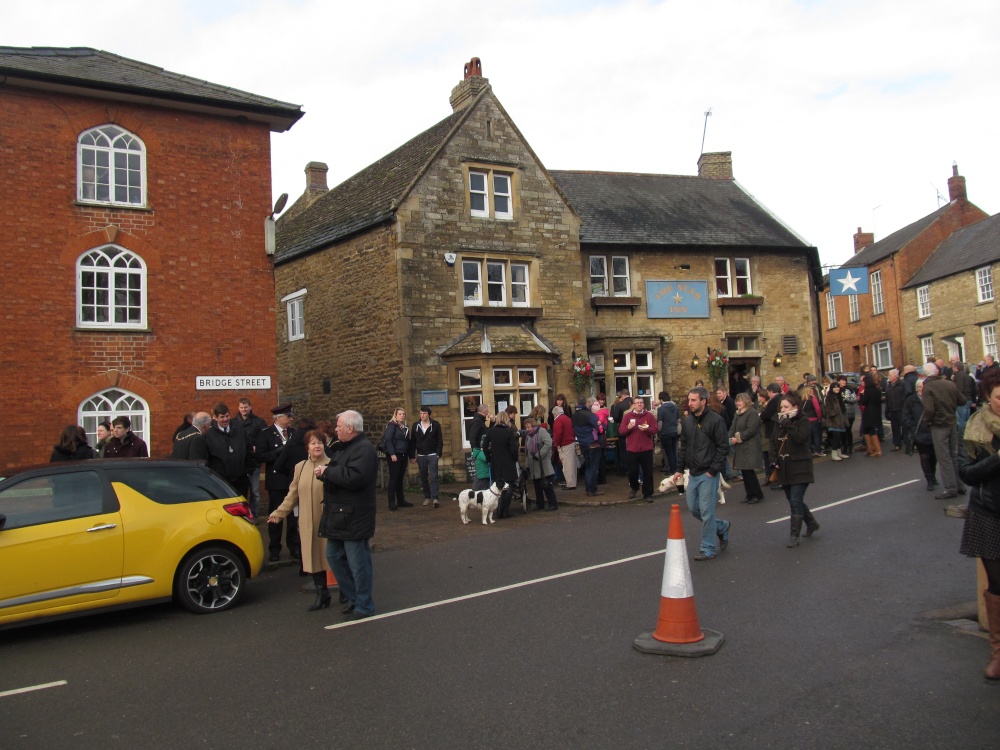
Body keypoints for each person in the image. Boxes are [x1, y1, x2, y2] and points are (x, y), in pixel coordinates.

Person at [957, 366, 1000, 682]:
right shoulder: (975, 427)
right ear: (987, 396)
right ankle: (998, 653)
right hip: (989, 512)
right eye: (999, 397)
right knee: (998, 585)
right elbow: (967, 473)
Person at [315, 410, 378, 620]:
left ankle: (364, 604)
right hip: (338, 515)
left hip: (355, 516)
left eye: (339, 426)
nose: (336, 429)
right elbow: (338, 473)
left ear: (350, 428)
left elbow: (354, 478)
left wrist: (327, 472)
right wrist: (325, 473)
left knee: (358, 563)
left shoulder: (364, 449)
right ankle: (353, 597)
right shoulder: (343, 448)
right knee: (333, 556)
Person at [268, 429, 333, 611]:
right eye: (313, 443)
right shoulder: (301, 467)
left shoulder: (332, 464)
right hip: (306, 521)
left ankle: (346, 591)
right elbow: (292, 495)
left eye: (320, 442)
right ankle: (322, 594)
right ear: (307, 447)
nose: (317, 446)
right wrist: (278, 514)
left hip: (327, 519)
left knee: (332, 556)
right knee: (313, 556)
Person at [673, 387, 731, 561]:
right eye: (689, 400)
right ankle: (721, 527)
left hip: (708, 473)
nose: (689, 403)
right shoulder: (688, 421)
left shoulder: (716, 421)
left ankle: (708, 547)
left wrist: (713, 471)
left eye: (693, 400)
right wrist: (678, 469)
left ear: (703, 401)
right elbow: (683, 447)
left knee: (706, 511)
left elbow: (723, 447)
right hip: (693, 472)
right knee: (693, 508)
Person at [772, 391, 820, 548]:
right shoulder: (779, 421)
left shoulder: (802, 421)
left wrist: (787, 424)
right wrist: (774, 459)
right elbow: (773, 442)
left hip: (800, 467)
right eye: (781, 407)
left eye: (786, 407)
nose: (783, 410)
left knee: (795, 500)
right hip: (785, 468)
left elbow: (800, 438)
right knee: (794, 500)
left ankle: (794, 535)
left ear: (795, 407)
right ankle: (811, 523)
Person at [257, 404, 299, 562]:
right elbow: (260, 456)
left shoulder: (294, 434)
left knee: (293, 517)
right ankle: (274, 548)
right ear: (279, 418)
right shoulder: (266, 435)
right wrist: (277, 452)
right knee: (276, 516)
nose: (291, 419)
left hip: (292, 482)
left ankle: (294, 546)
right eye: (288, 417)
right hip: (276, 483)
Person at [922, 362, 968, 499]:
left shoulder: (928, 387)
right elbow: (963, 400)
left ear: (925, 374)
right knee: (954, 455)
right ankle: (959, 485)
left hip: (939, 425)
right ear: (937, 371)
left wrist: (928, 422)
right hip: (952, 422)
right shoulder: (949, 384)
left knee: (944, 458)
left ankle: (950, 488)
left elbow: (929, 409)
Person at [202, 403, 251, 498]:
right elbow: (206, 457)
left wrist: (248, 471)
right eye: (222, 417)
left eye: (227, 416)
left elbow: (249, 451)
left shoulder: (239, 429)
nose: (225, 419)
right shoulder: (209, 434)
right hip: (220, 481)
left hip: (240, 480)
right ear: (215, 418)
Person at [483, 410, 521, 518]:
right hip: (508, 462)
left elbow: (485, 446)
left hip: (496, 462)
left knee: (498, 486)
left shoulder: (491, 431)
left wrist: (489, 458)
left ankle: (498, 510)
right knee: (509, 486)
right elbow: (514, 448)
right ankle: (505, 511)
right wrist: (515, 459)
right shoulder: (509, 431)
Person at [619, 396, 657, 501]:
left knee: (648, 473)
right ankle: (634, 488)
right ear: (633, 405)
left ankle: (648, 494)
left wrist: (647, 429)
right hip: (632, 449)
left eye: (641, 402)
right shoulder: (627, 416)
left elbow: (655, 429)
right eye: (637, 403)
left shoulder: (649, 416)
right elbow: (621, 431)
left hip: (646, 448)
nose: (639, 404)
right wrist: (628, 428)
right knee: (632, 472)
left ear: (644, 404)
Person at [235, 397, 268, 519]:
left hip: (254, 463)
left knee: (255, 492)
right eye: (241, 407)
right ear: (238, 408)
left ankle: (253, 515)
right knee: (240, 492)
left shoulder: (259, 422)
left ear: (250, 407)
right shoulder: (234, 423)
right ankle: (241, 515)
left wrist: (257, 447)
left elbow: (265, 438)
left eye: (246, 407)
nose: (243, 409)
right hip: (240, 464)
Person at [902, 379, 937, 491]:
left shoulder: (932, 398)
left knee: (933, 456)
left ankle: (933, 475)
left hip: (932, 431)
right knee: (924, 456)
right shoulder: (911, 400)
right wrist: (912, 427)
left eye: (923, 387)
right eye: (919, 387)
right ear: (916, 388)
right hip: (919, 433)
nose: (921, 389)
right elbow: (906, 415)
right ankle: (929, 479)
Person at [730, 392, 764, 503]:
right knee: (744, 472)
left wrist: (738, 438)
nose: (738, 403)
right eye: (737, 401)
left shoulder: (752, 413)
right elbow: (733, 428)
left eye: (740, 401)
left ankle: (757, 494)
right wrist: (729, 437)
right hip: (741, 446)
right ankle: (749, 494)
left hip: (750, 446)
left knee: (749, 472)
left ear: (746, 401)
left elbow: (751, 430)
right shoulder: (737, 413)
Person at [410, 406, 443, 508]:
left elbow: (439, 440)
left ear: (428, 414)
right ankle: (427, 496)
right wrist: (412, 455)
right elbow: (413, 442)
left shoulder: (435, 425)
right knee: (424, 477)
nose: (422, 415)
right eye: (421, 413)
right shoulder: (416, 426)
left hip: (432, 454)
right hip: (421, 455)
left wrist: (438, 453)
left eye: (424, 413)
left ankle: (435, 497)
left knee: (433, 477)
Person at [523, 416, 558, 511]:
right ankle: (540, 503)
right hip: (534, 466)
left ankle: (553, 503)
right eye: (526, 427)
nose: (527, 429)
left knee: (547, 485)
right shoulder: (528, 436)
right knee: (537, 486)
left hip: (543, 464)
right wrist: (527, 465)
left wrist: (539, 455)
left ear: (533, 425)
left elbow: (548, 443)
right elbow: (528, 452)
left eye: (529, 427)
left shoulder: (541, 431)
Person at [571, 396, 603, 497]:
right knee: (593, 467)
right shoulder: (589, 415)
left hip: (582, 443)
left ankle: (588, 489)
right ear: (586, 404)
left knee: (588, 466)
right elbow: (600, 427)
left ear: (577, 404)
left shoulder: (574, 416)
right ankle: (592, 489)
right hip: (593, 443)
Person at [383, 408, 413, 511]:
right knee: (394, 478)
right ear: (395, 415)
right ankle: (391, 502)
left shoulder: (405, 427)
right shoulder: (392, 426)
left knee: (400, 478)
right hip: (395, 455)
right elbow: (388, 440)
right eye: (400, 414)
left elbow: (407, 442)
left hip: (403, 455)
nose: (402, 416)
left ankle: (401, 501)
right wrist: (392, 453)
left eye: (403, 414)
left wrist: (410, 455)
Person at [760, 383, 784, 489]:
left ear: (771, 391)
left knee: (775, 455)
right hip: (779, 430)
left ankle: (779, 480)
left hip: (774, 431)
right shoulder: (782, 398)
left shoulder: (774, 401)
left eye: (768, 392)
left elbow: (765, 415)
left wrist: (761, 415)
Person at [552, 405, 577, 491]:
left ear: (555, 413)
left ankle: (570, 484)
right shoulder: (567, 418)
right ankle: (572, 482)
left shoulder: (558, 421)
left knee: (567, 465)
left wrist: (557, 444)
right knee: (572, 464)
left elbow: (558, 434)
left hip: (565, 444)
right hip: (571, 442)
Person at [859, 368, 884, 457]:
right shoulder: (877, 389)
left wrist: (861, 395)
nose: (862, 383)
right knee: (866, 430)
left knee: (870, 430)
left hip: (869, 412)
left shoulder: (867, 391)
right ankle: (870, 448)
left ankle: (877, 450)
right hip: (875, 411)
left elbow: (863, 401)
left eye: (863, 382)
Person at [824, 380, 849, 461]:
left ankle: (839, 453)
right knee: (836, 437)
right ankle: (834, 454)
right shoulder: (829, 397)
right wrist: (834, 415)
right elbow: (829, 409)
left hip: (841, 420)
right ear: (832, 388)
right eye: (835, 387)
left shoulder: (838, 396)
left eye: (838, 387)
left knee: (840, 437)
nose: (837, 388)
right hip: (834, 421)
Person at [800, 379, 825, 457]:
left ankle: (809, 451)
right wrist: (820, 418)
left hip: (805, 420)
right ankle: (818, 450)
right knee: (817, 436)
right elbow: (817, 409)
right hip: (814, 419)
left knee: (809, 437)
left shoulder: (801, 400)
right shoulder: (813, 398)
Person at [656, 390, 679, 475]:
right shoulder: (675, 407)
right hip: (674, 432)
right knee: (674, 451)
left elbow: (660, 423)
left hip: (666, 433)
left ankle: (673, 471)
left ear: (661, 400)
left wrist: (658, 431)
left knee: (669, 453)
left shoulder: (661, 409)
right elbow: (678, 420)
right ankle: (676, 469)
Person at [884, 369, 906, 451]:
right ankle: (897, 444)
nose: (888, 377)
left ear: (896, 376)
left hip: (901, 409)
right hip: (892, 410)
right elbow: (887, 399)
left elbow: (906, 397)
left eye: (890, 375)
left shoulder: (902, 384)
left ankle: (908, 443)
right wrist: (887, 410)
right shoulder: (888, 386)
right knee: (895, 428)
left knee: (905, 427)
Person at [840, 376, 859, 456]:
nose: (844, 382)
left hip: (849, 413)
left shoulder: (850, 389)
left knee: (848, 430)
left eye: (845, 380)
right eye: (842, 381)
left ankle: (849, 447)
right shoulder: (836, 389)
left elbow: (855, 399)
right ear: (838, 381)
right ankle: (843, 446)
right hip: (840, 413)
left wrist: (847, 400)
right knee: (842, 431)